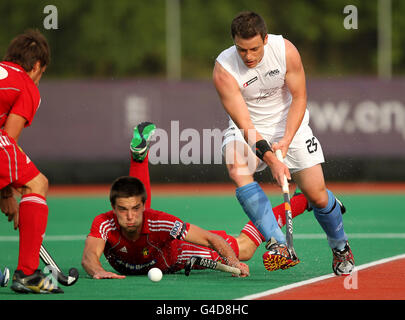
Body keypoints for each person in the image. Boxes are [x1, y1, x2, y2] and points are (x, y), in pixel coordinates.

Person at [212, 11, 354, 275]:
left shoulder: (285, 51)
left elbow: (300, 98)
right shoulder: (224, 70)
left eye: (254, 48)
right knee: (236, 166)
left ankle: (340, 246)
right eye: (242, 50)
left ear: (265, 39)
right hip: (250, 129)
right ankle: (277, 242)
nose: (249, 56)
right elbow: (246, 126)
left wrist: (286, 142)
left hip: (290, 125)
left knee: (317, 195)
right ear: (234, 44)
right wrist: (272, 159)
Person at [81, 123, 309, 279]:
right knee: (142, 220)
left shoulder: (162, 222)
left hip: (181, 254)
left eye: (133, 209)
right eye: (122, 210)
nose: (129, 216)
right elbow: (90, 257)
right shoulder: (104, 223)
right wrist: (96, 270)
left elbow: (209, 239)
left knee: (245, 249)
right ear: (112, 209)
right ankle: (138, 159)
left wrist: (233, 261)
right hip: (154, 252)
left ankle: (303, 200)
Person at [0, 30, 63, 293]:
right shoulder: (26, 84)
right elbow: (8, 138)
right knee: (36, 184)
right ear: (37, 66)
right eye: (42, 73)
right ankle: (27, 274)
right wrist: (6, 193)